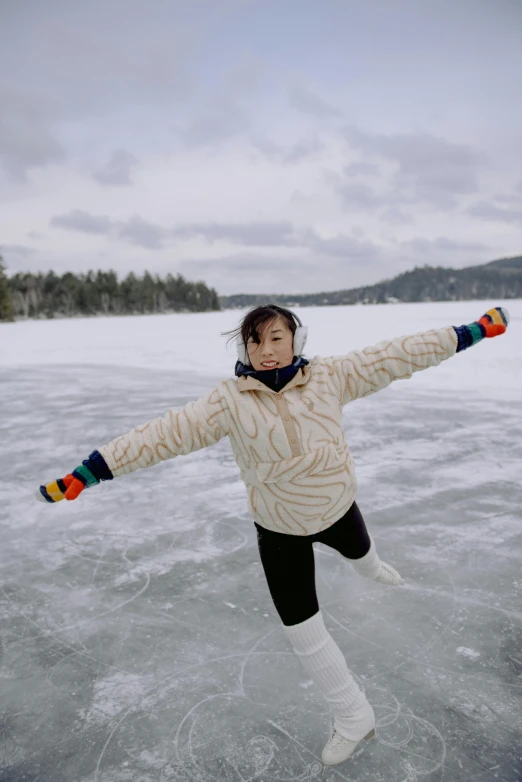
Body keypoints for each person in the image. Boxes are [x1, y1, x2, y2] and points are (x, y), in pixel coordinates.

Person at [37, 303, 510, 767]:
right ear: (245, 347)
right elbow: (164, 433)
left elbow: (397, 354)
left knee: (362, 554)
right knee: (302, 628)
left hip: (337, 508)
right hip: (279, 526)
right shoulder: (228, 402)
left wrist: (472, 331)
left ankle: (372, 567)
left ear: (296, 341)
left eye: (277, 339)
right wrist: (91, 470)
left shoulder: (332, 376)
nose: (266, 350)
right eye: (255, 341)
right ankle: (352, 714)